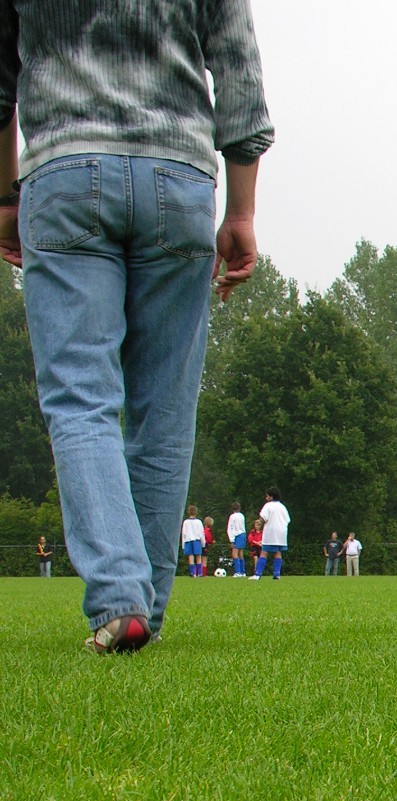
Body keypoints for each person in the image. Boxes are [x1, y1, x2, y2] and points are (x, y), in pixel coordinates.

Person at [0, 2, 272, 652]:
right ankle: (141, 609)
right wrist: (241, 210)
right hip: (179, 175)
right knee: (165, 409)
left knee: (81, 397)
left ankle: (122, 603)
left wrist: (7, 196)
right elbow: (238, 71)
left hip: (63, 170)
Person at [252, 487, 289, 580]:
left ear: (271, 497)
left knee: (264, 552)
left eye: (267, 496)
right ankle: (277, 574)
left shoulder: (268, 505)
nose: (266, 498)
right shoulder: (282, 507)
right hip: (282, 533)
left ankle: (258, 574)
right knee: (278, 551)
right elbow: (288, 520)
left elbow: (263, 518)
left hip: (271, 532)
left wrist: (259, 524)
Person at [180, 505, 205, 578]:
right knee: (198, 557)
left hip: (188, 540)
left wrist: (183, 545)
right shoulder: (199, 522)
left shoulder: (186, 522)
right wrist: (203, 543)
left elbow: (183, 533)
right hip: (196, 541)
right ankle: (199, 573)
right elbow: (201, 533)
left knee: (190, 557)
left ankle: (192, 573)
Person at [226, 502, 248, 577]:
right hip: (243, 534)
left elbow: (230, 528)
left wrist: (231, 540)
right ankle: (242, 572)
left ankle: (238, 571)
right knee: (240, 553)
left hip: (237, 535)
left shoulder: (232, 516)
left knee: (235, 553)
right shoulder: (242, 515)